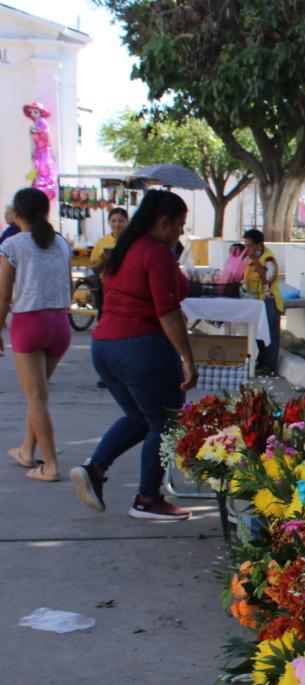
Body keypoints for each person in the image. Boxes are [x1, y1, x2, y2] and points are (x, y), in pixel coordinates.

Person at [70, 190, 197, 521]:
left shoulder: (127, 248)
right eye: (179, 226)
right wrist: (187, 357)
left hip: (105, 347)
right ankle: (147, 498)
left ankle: (95, 469)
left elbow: (174, 289)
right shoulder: (155, 253)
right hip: (141, 348)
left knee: (140, 417)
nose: (181, 232)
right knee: (164, 422)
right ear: (163, 222)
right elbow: (168, 310)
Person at [0, 188, 72, 482]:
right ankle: (28, 450)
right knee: (38, 395)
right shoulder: (62, 244)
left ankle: (51, 465)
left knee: (35, 397)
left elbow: (4, 295)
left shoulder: (12, 245)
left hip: (29, 324)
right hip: (60, 326)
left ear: (17, 215)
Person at [240, 229, 283, 374]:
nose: (248, 249)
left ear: (259, 244)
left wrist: (255, 261)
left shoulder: (268, 259)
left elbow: (267, 279)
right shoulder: (249, 257)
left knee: (270, 335)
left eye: (250, 245)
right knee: (259, 334)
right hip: (256, 301)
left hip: (269, 300)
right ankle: (261, 362)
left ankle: (269, 367)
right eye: (246, 245)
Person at [89, 207, 129, 274]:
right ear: (109, 222)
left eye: (121, 221)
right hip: (107, 282)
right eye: (113, 221)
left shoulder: (133, 241)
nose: (117, 224)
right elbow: (93, 266)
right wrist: (104, 261)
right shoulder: (102, 242)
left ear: (127, 222)